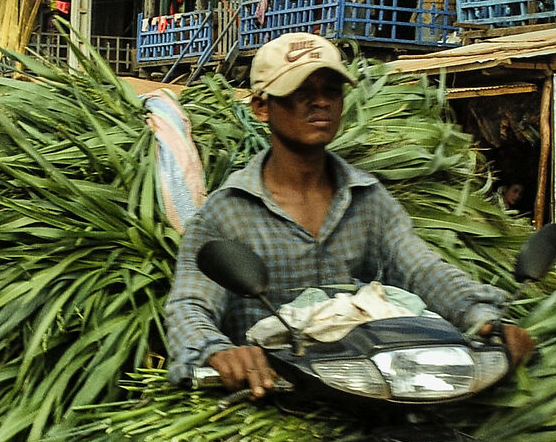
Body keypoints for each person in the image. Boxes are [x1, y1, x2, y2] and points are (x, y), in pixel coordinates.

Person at [167, 32, 536, 398]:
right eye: (301, 92)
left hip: (374, 394)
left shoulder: (368, 199)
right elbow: (190, 305)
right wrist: (216, 351)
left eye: (332, 90)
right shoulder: (226, 213)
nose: (321, 102)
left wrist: (483, 318)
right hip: (276, 397)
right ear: (262, 107)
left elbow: (422, 269)